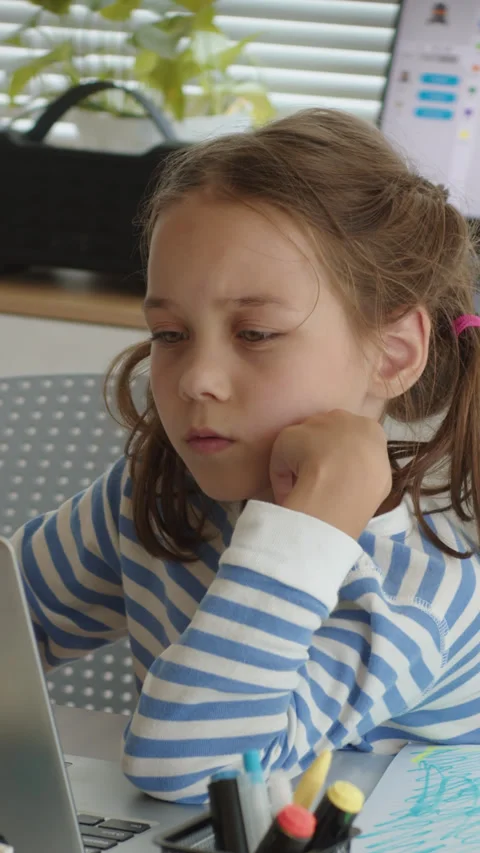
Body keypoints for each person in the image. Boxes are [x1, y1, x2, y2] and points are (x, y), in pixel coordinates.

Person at [11, 108, 480, 805]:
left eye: (255, 332)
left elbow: (193, 766)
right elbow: (16, 621)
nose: (197, 377)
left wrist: (303, 534)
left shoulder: (414, 591)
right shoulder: (154, 495)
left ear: (394, 352)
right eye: (169, 333)